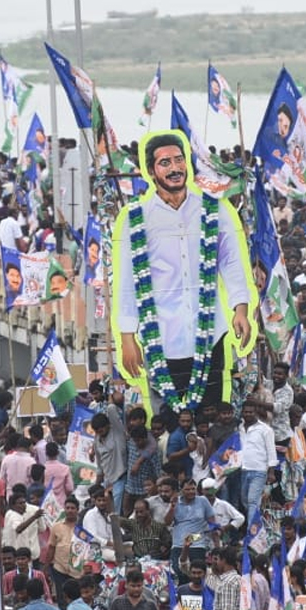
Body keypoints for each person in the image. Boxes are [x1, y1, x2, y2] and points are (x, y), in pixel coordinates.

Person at [113, 131, 257, 412]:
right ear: (151, 172)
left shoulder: (215, 210)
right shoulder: (135, 220)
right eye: (165, 163)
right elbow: (128, 283)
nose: (175, 168)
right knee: (168, 422)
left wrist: (240, 308)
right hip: (161, 340)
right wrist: (127, 337)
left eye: (179, 160)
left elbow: (231, 263)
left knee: (212, 415)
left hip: (210, 335)